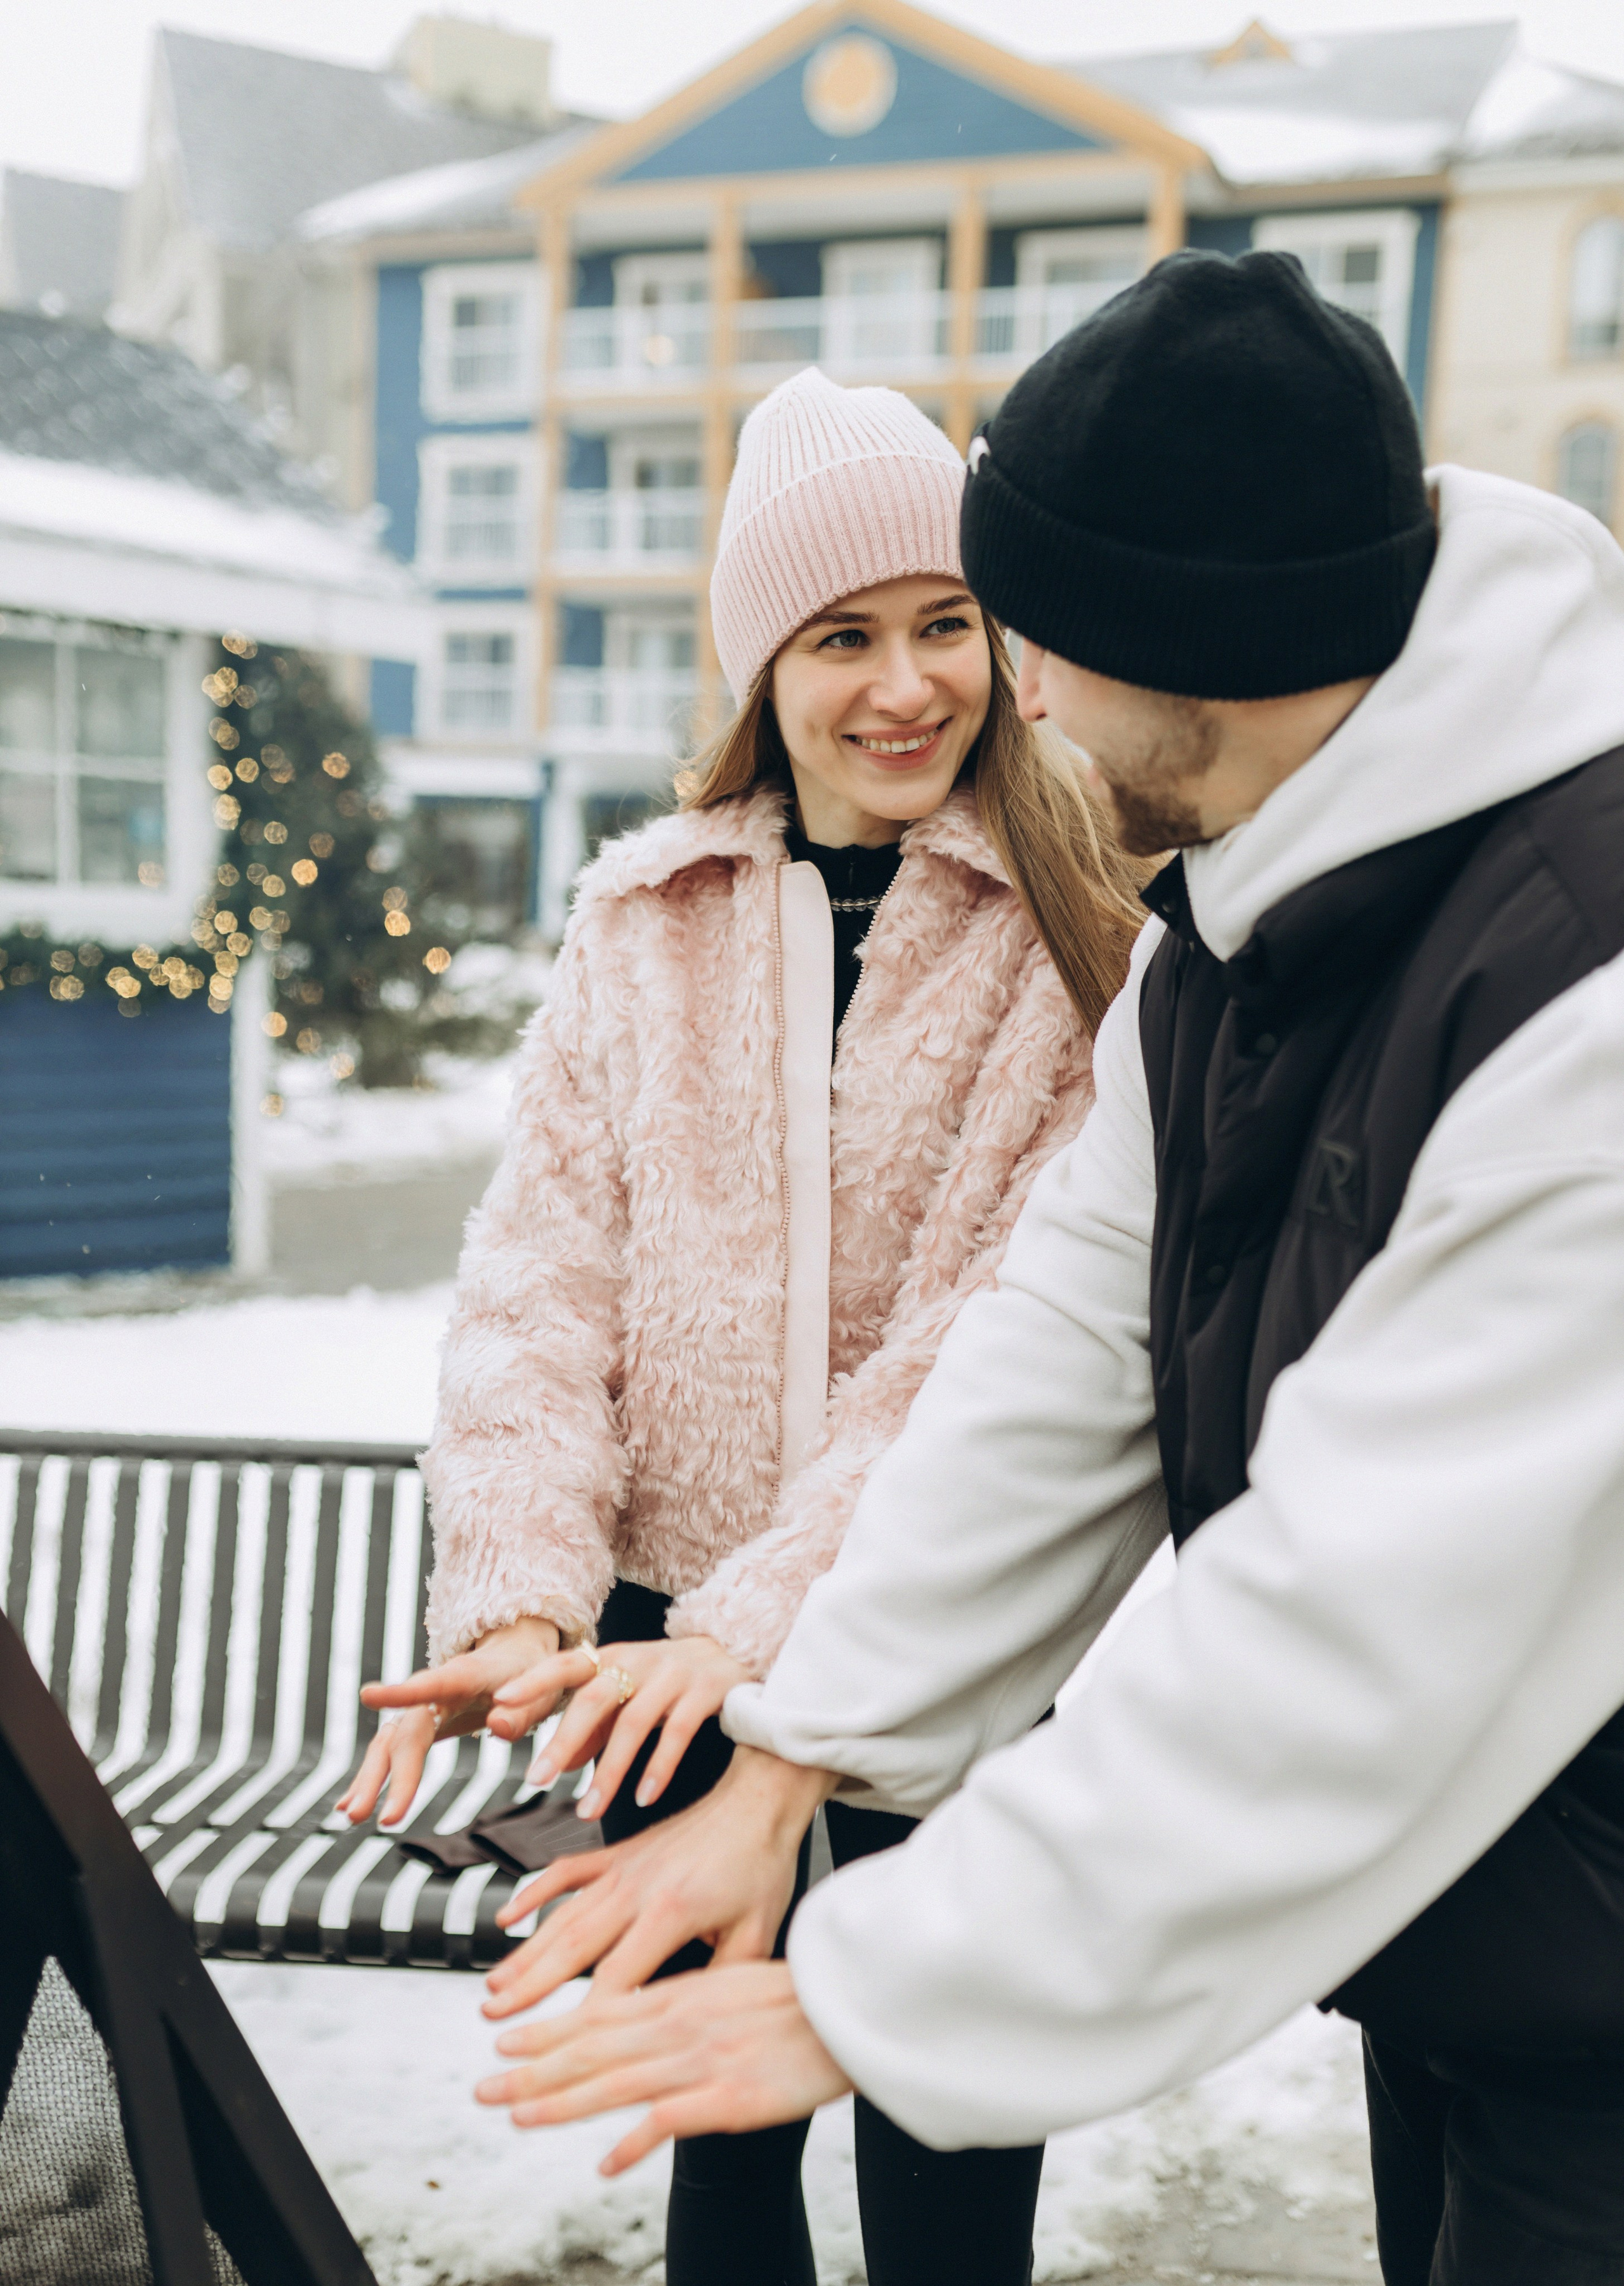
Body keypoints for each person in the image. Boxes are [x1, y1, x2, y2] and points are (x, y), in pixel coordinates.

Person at [473, 252, 1624, 2286]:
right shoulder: (1237, 934)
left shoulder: (1576, 981)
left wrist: (880, 1987)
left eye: (1027, 635)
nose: (1016, 695)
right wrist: (792, 1761)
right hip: (1500, 1933)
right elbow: (1055, 1365)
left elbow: (1355, 1602)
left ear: (1196, 645)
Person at [337, 365, 1146, 2286]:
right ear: (762, 666)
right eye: (841, 636)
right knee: (722, 2143)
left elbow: (980, 1349)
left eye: (946, 622)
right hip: (663, 1655)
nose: (906, 684)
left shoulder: (1077, 937)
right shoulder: (647, 922)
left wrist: (750, 1630)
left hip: (942, 1629)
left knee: (951, 2145)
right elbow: (540, 1283)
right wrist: (524, 1601)